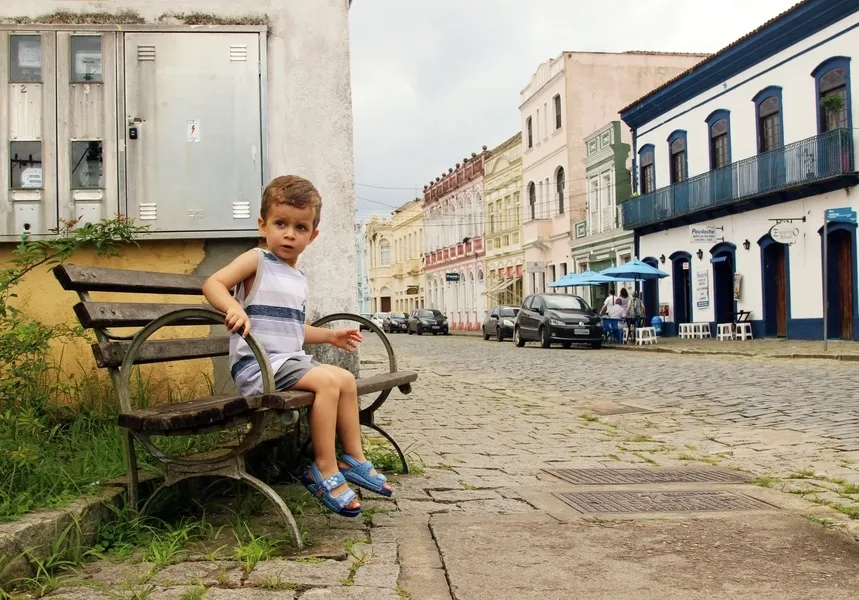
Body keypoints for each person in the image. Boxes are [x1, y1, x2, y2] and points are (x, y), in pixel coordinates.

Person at [202, 175, 391, 518]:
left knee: (345, 380)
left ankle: (354, 458)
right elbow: (213, 283)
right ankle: (323, 466)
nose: (289, 233)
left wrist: (330, 336)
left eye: (300, 228)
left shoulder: (298, 279)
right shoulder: (256, 260)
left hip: (285, 360)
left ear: (312, 235)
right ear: (263, 225)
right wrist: (233, 307)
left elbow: (291, 331)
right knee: (328, 381)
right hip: (258, 367)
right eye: (280, 223)